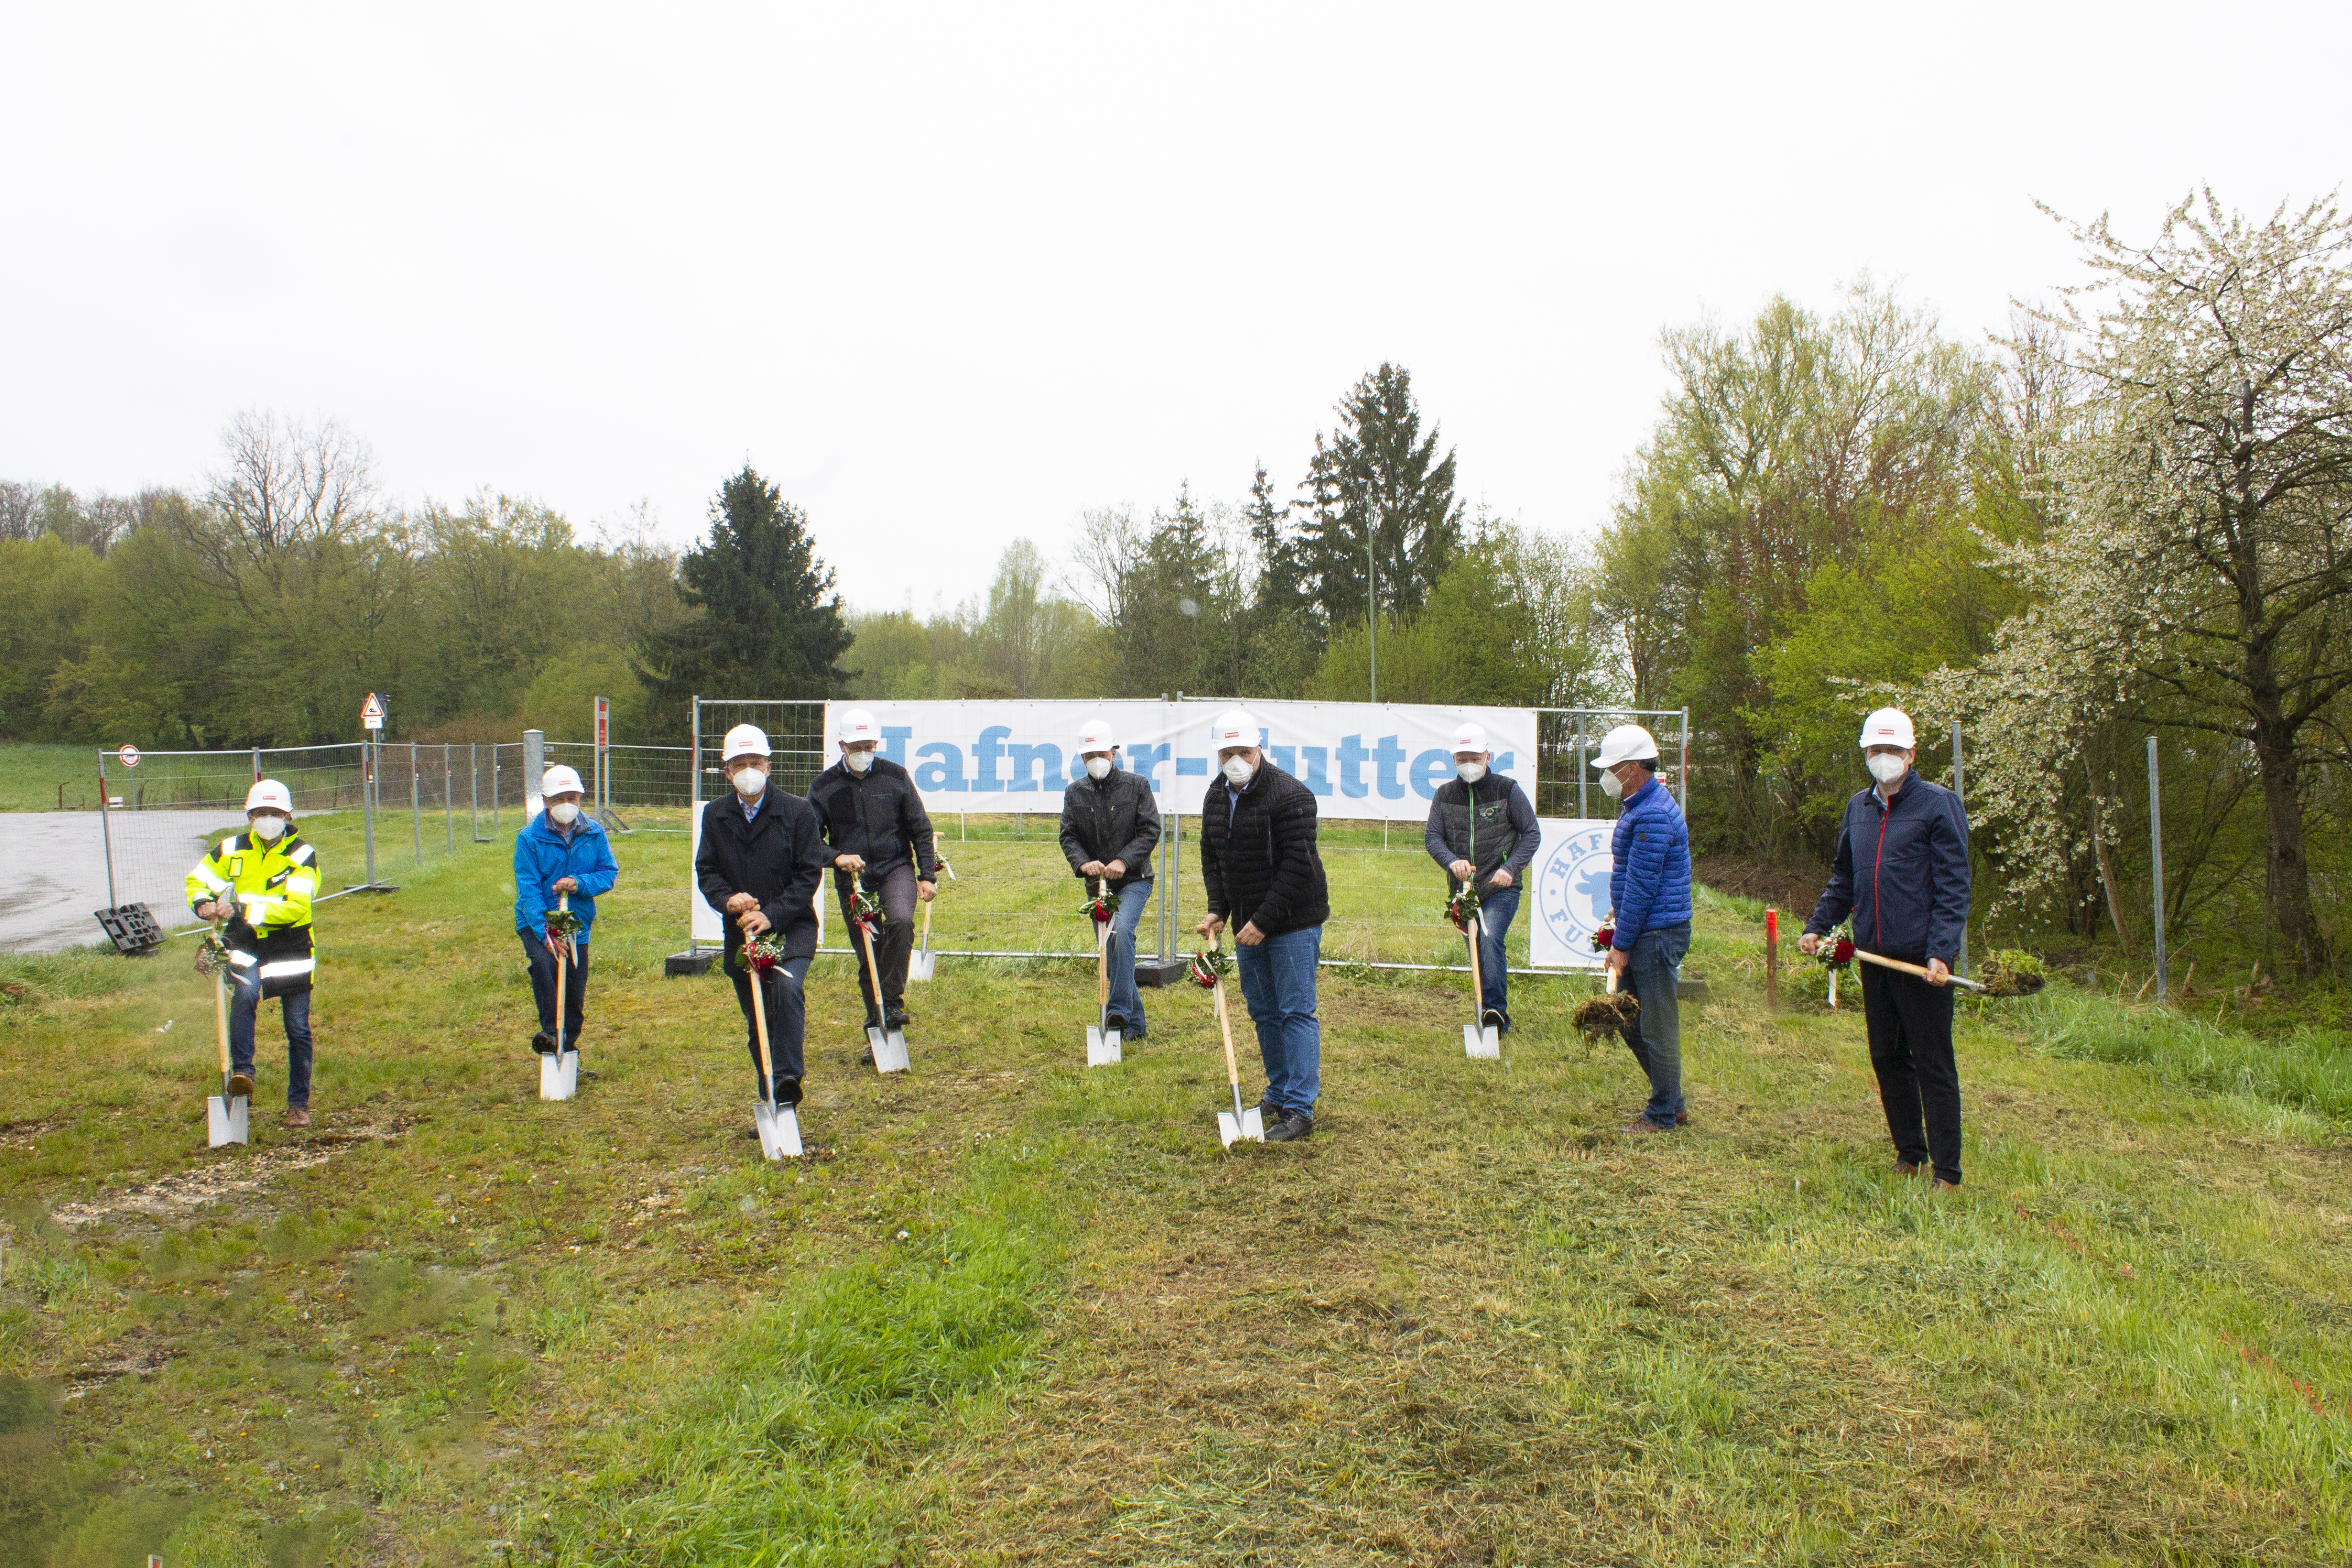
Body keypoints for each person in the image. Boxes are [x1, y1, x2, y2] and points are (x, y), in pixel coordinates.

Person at [1800, 707, 1972, 1188]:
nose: (1885, 759)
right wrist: (1819, 925)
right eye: (1876, 751)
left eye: (1894, 751)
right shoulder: (1859, 808)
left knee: (1933, 1062)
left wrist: (1941, 950)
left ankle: (1948, 1170)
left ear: (1912, 754)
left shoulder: (1938, 806)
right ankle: (1910, 1152)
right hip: (1873, 954)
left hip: (1922, 962)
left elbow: (1954, 885)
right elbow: (1845, 877)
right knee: (1886, 1057)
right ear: (1866, 754)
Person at [1196, 708, 1331, 1142]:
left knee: (1295, 1011)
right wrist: (1220, 908)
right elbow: (1213, 858)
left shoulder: (1291, 796)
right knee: (1264, 1011)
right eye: (1227, 753)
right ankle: (1277, 1091)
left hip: (1293, 921)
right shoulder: (1216, 797)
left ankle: (1299, 1108)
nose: (1236, 760)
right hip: (1247, 925)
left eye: (1244, 752)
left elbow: (1297, 867)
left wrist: (1262, 921)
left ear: (1260, 750)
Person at [695, 724, 830, 1113]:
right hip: (742, 935)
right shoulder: (715, 815)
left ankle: (788, 1079)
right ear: (727, 772)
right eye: (740, 764)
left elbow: (809, 874)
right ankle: (769, 1087)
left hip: (792, 927)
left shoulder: (798, 812)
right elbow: (707, 871)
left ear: (769, 766)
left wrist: (770, 915)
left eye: (756, 762)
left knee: (786, 992)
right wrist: (729, 900)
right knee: (758, 1017)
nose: (749, 770)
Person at [184, 780, 321, 1128]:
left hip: (290, 944)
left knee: (297, 1027)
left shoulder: (302, 856)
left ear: (288, 816)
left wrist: (241, 907)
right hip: (245, 942)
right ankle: (243, 1073)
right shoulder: (231, 849)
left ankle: (298, 1104)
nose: (267, 819)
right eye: (260, 813)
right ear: (249, 816)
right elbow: (199, 880)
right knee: (244, 995)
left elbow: (295, 908)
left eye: (274, 813)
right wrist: (202, 903)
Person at [807, 708, 939, 1051]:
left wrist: (926, 876)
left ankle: (891, 1002)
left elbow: (920, 829)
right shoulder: (824, 787)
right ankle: (876, 1027)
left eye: (870, 745)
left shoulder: (896, 777)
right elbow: (808, 840)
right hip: (853, 879)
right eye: (857, 746)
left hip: (895, 867)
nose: (864, 752)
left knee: (900, 923)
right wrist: (836, 857)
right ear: (842, 746)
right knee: (869, 953)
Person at [1594, 724, 1694, 1135]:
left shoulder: (1651, 813)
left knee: (1653, 1026)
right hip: (1648, 928)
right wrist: (1619, 912)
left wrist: (1622, 943)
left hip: (1656, 933)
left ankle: (1662, 1114)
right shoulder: (1641, 805)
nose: (1606, 776)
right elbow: (1636, 878)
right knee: (1634, 1023)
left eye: (1613, 768)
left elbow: (1643, 886)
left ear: (1634, 768)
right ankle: (1673, 1102)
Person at [1424, 721, 1541, 1033]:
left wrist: (1510, 868)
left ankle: (1495, 1014)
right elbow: (1433, 838)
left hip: (1500, 887)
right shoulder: (1445, 795)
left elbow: (1531, 833)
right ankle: (1486, 1007)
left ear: (1488, 756)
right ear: (1453, 760)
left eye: (1474, 757)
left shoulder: (1507, 790)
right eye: (1462, 758)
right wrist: (1451, 862)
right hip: (1464, 893)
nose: (1468, 764)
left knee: (1489, 939)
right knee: (1476, 949)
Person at [1058, 717, 1162, 1039]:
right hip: (1098, 886)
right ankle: (1136, 1026)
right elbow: (1068, 836)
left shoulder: (1137, 786)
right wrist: (1083, 863)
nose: (1096, 761)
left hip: (1134, 880)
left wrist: (1123, 860)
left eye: (1102, 753)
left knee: (1120, 933)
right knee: (1113, 949)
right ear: (1082, 759)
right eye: (1089, 756)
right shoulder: (1075, 793)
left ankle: (1117, 1011)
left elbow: (1150, 830)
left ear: (1115, 752)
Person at [512, 764, 619, 1060]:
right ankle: (550, 1034)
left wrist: (579, 883)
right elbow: (528, 889)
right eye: (558, 799)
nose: (566, 804)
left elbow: (608, 874)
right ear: (546, 802)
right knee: (545, 967)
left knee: (574, 983)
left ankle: (568, 1047)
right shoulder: (529, 839)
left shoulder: (595, 834)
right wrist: (544, 933)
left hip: (576, 921)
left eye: (572, 797)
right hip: (537, 919)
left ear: (581, 798)